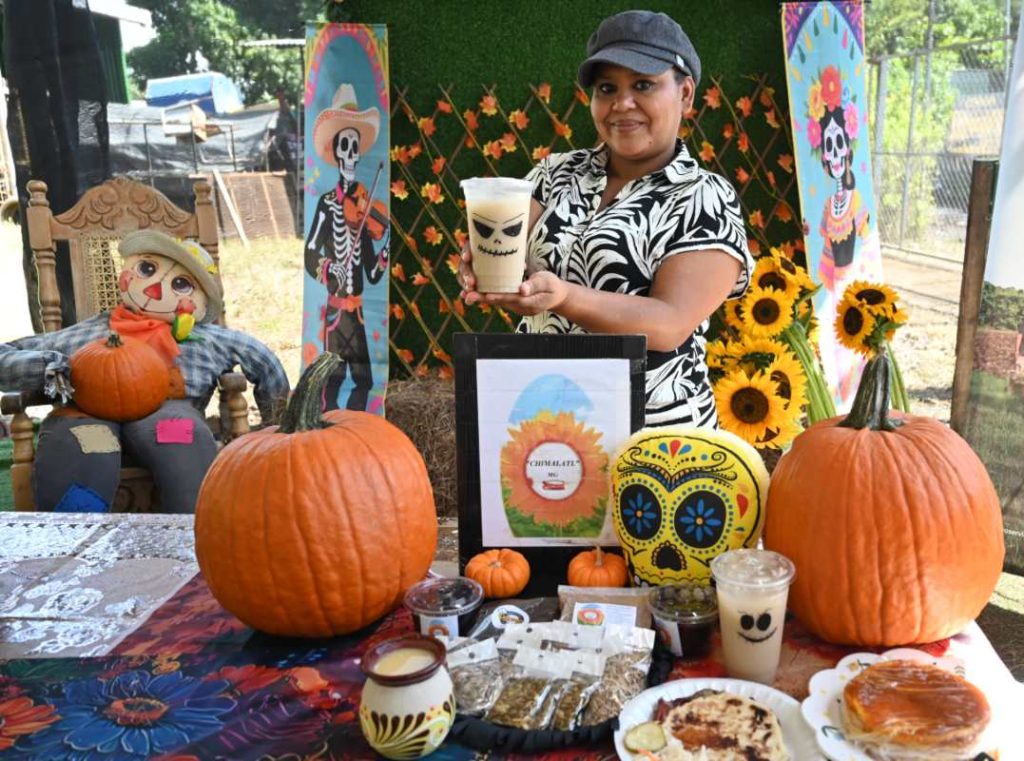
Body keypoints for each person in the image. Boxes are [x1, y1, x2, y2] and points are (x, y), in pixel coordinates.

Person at [458, 10, 753, 427]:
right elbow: (510, 249)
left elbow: (668, 323)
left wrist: (563, 296)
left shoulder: (705, 197)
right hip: (546, 424)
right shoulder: (555, 173)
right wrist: (483, 263)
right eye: (607, 88)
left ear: (686, 94)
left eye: (644, 85)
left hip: (655, 441)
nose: (621, 104)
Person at [0, 231, 289, 513]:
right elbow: (6, 354)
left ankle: (193, 532)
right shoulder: (91, 331)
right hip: (88, 413)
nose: (155, 288)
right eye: (147, 269)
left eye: (180, 284)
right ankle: (72, 540)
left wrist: (277, 428)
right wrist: (50, 368)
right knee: (84, 448)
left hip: (167, 412)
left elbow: (265, 362)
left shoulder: (208, 337)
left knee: (181, 442)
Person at [305, 83, 390, 411]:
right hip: (336, 312)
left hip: (358, 312)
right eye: (346, 145)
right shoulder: (327, 204)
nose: (352, 153)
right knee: (333, 378)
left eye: (355, 146)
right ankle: (330, 427)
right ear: (337, 151)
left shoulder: (364, 207)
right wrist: (330, 267)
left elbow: (370, 271)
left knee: (365, 380)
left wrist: (383, 254)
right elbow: (311, 252)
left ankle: (357, 429)